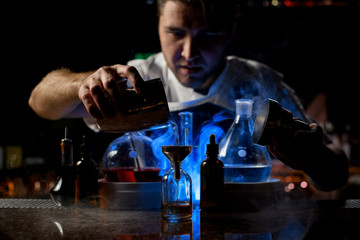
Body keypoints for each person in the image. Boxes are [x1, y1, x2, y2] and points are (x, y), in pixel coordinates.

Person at [28, 0, 348, 192]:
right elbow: (40, 103)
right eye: (176, 33)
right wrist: (83, 83)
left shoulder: (258, 84)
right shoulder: (136, 82)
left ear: (231, 31)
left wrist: (314, 159)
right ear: (158, 26)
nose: (189, 53)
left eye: (207, 35)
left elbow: (334, 176)